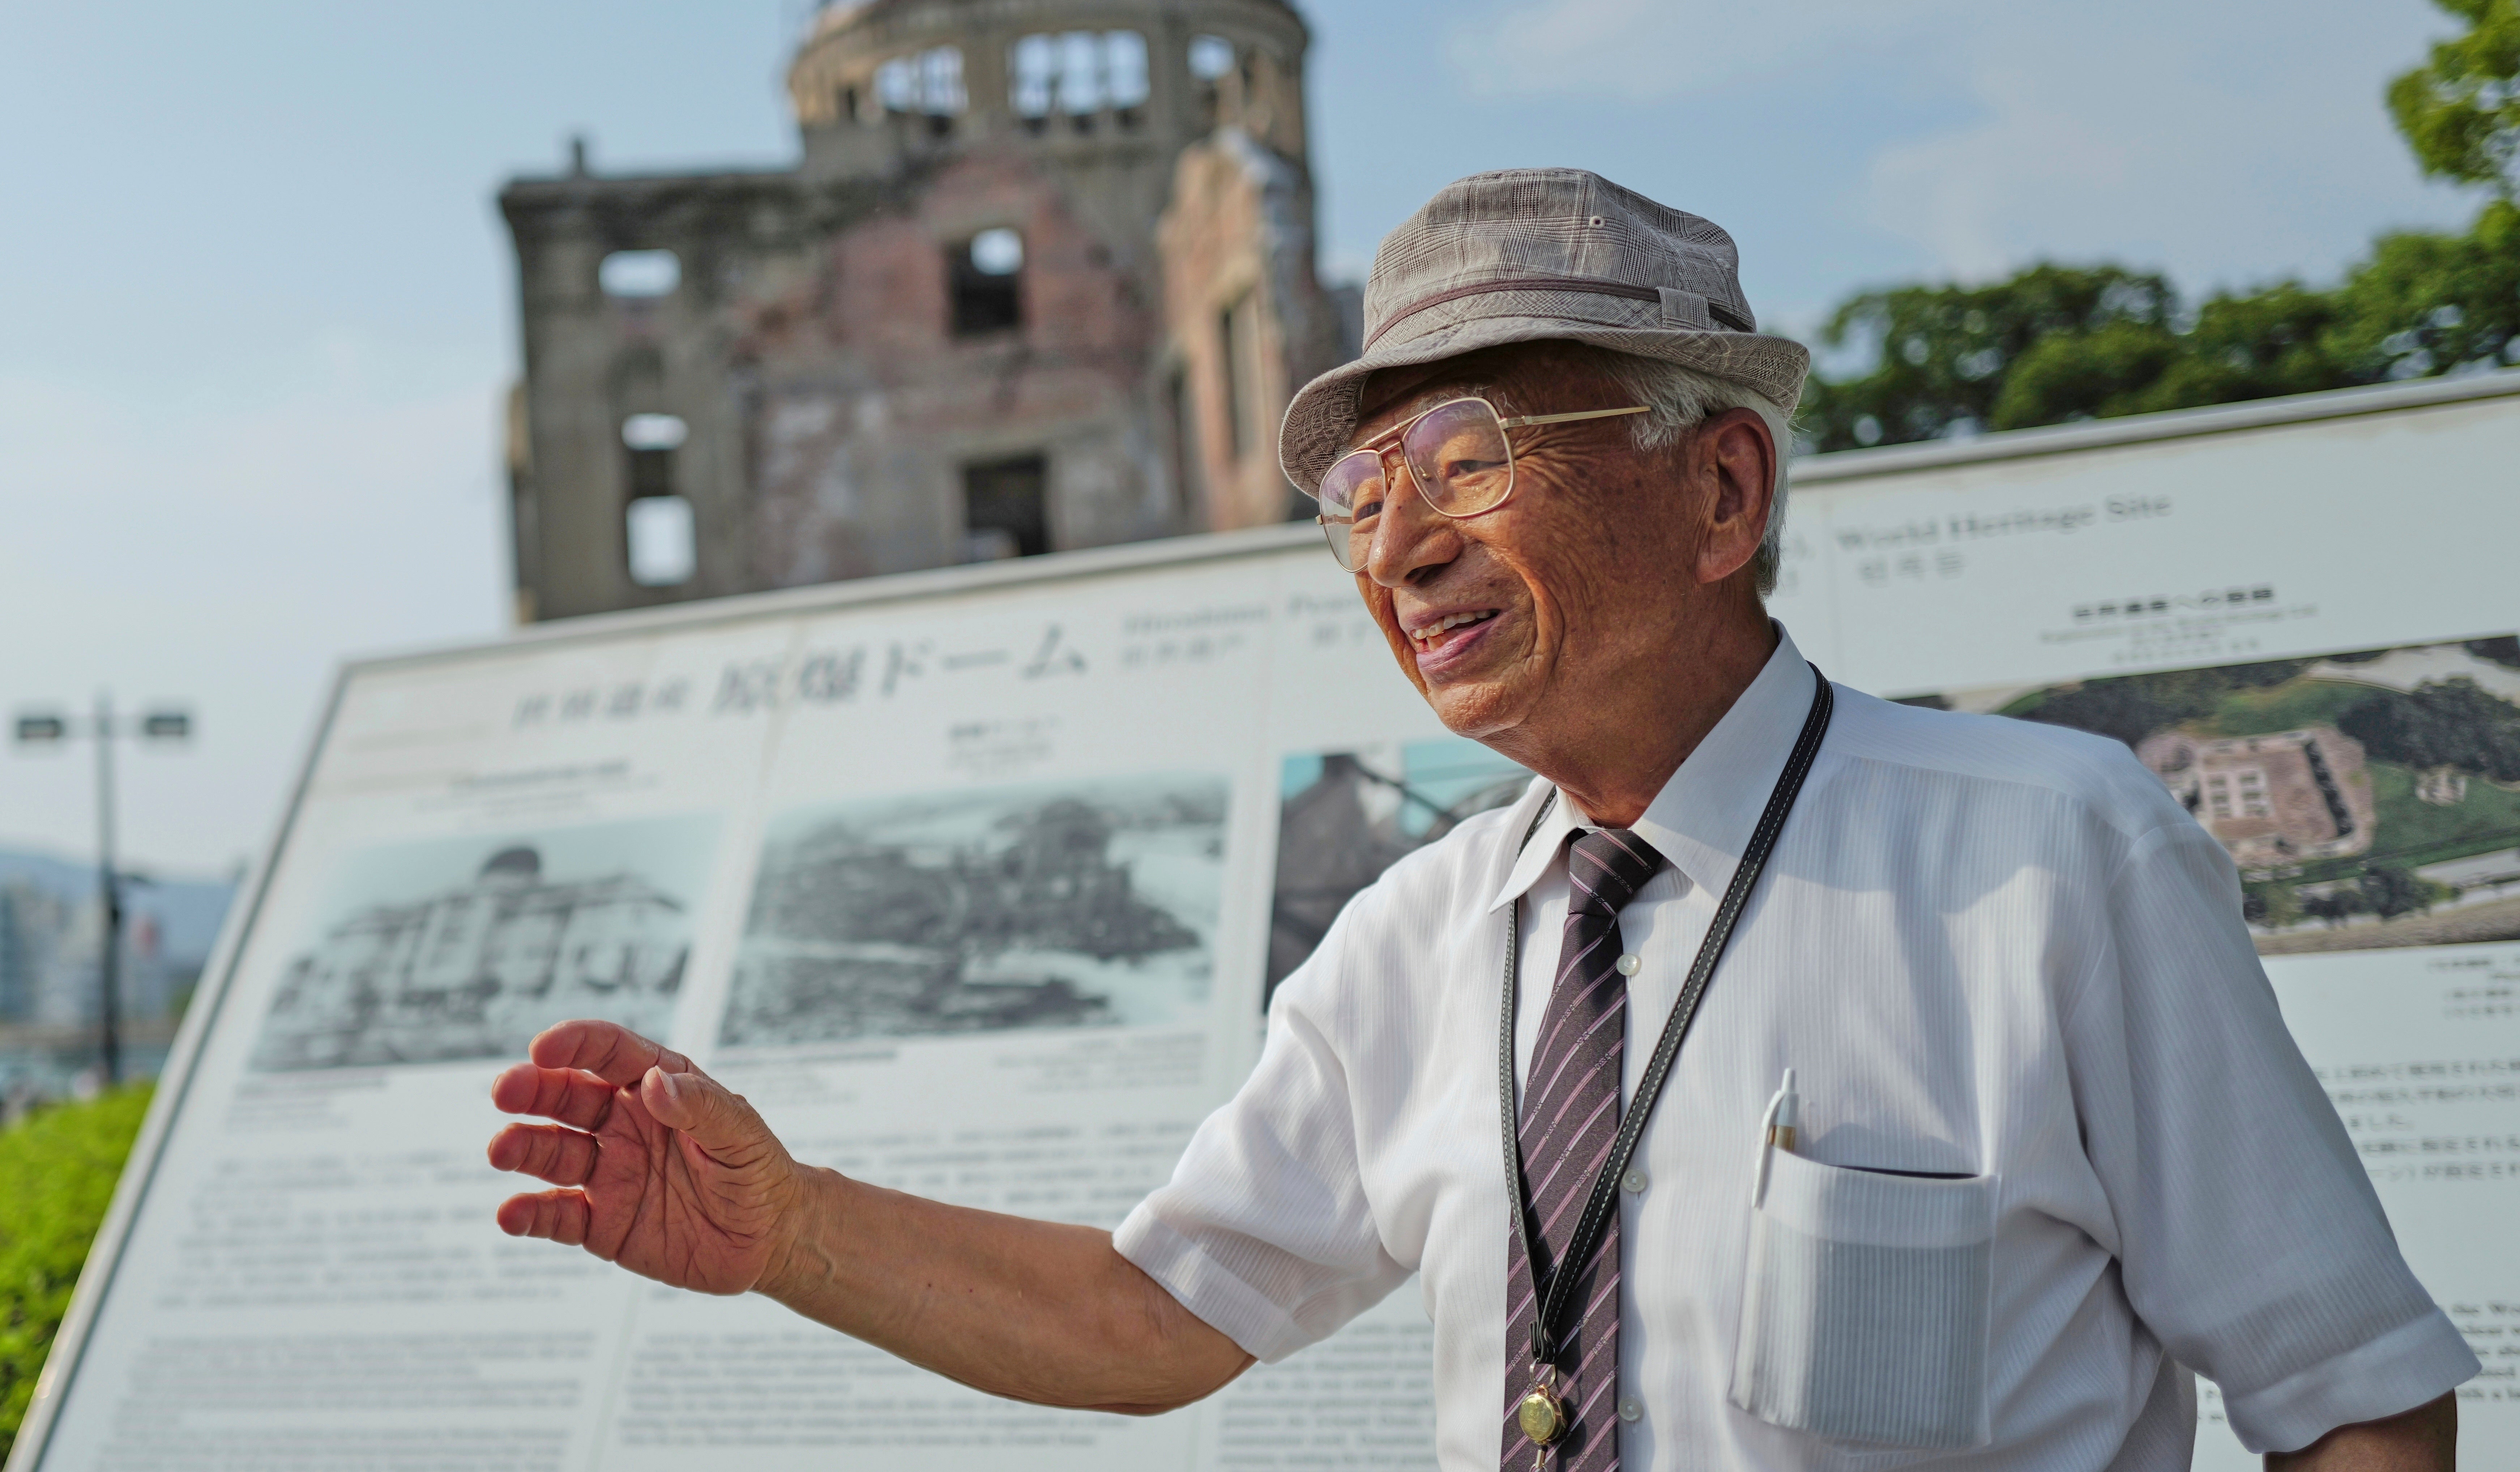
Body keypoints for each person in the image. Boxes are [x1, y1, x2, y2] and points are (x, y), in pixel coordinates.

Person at [487, 170, 2475, 1470]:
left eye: (1473, 453)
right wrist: (796, 1228)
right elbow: (1152, 1313)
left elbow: (2355, 1399)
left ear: (1720, 495)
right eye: (1363, 488)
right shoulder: (1423, 938)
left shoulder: (2053, 858)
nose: (1405, 540)